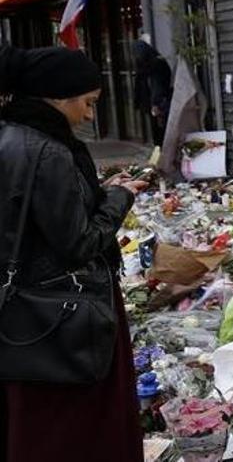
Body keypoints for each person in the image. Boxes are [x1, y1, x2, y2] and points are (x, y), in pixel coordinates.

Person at [0, 47, 147, 461]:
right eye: (88, 103)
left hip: (24, 314)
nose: (88, 116)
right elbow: (79, 243)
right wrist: (119, 198)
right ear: (57, 96)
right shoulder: (49, 151)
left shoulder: (10, 137)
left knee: (33, 425)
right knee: (81, 429)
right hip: (64, 313)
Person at [133, 38, 174, 146]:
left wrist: (156, 103)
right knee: (158, 130)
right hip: (154, 101)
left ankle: (162, 152)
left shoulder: (155, 64)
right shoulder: (149, 63)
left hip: (160, 102)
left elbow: (157, 84)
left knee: (161, 131)